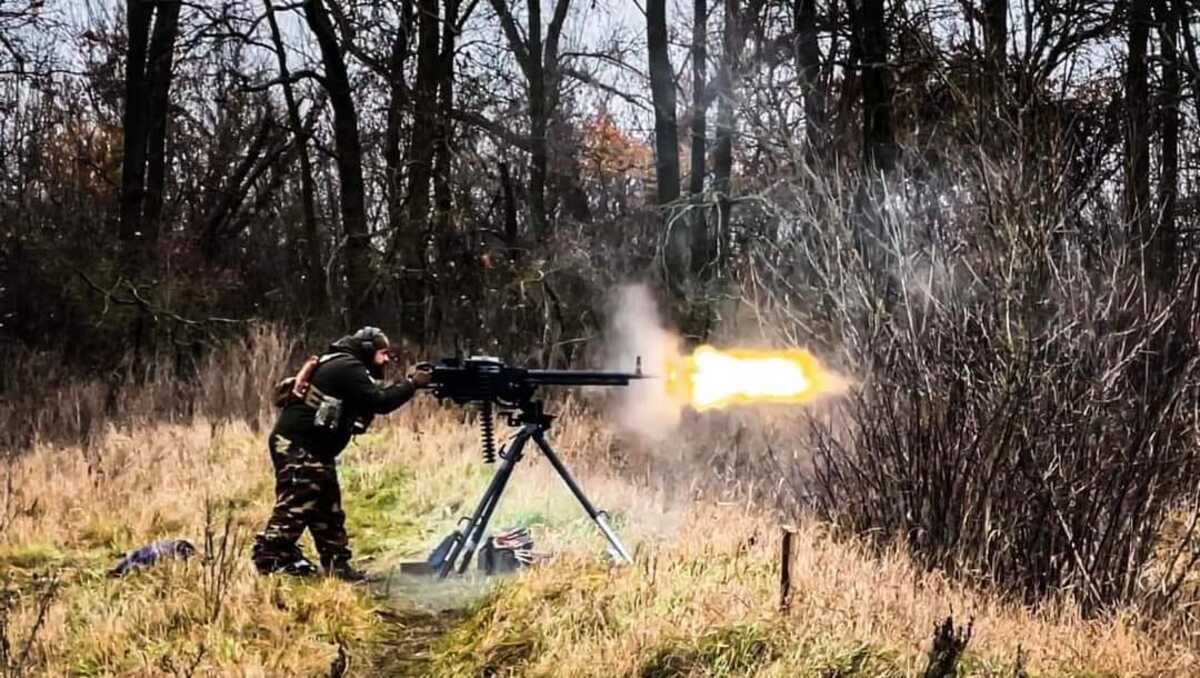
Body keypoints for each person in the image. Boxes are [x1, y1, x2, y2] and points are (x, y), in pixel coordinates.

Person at [251, 326, 432, 581]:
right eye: (383, 353)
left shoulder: (344, 365)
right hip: (298, 445)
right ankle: (270, 559)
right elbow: (380, 401)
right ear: (368, 350)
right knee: (296, 504)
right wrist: (412, 384)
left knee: (327, 509)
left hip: (314, 448)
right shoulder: (348, 366)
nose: (386, 360)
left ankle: (338, 566)